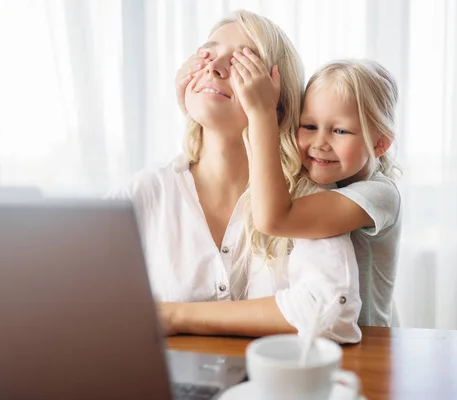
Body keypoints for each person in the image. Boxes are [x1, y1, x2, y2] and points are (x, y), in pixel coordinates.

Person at [110, 10, 362, 343]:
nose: (214, 68)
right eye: (207, 55)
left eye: (242, 63)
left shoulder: (307, 198)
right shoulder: (145, 191)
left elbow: (330, 312)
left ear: (279, 102)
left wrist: (173, 315)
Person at [178, 56, 401, 327]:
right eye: (309, 126)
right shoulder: (323, 174)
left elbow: (273, 219)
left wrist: (263, 114)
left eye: (340, 131)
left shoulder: (379, 195)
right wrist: (193, 103)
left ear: (379, 144)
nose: (320, 143)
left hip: (368, 347)